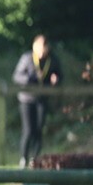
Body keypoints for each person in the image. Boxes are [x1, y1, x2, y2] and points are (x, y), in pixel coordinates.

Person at [13, 34, 61, 167]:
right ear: (34, 47)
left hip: (42, 99)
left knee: (39, 130)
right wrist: (30, 78)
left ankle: (34, 159)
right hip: (27, 99)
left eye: (44, 48)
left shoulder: (52, 60)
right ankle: (23, 158)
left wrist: (55, 80)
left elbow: (59, 75)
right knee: (28, 130)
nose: (42, 51)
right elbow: (16, 76)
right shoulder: (27, 58)